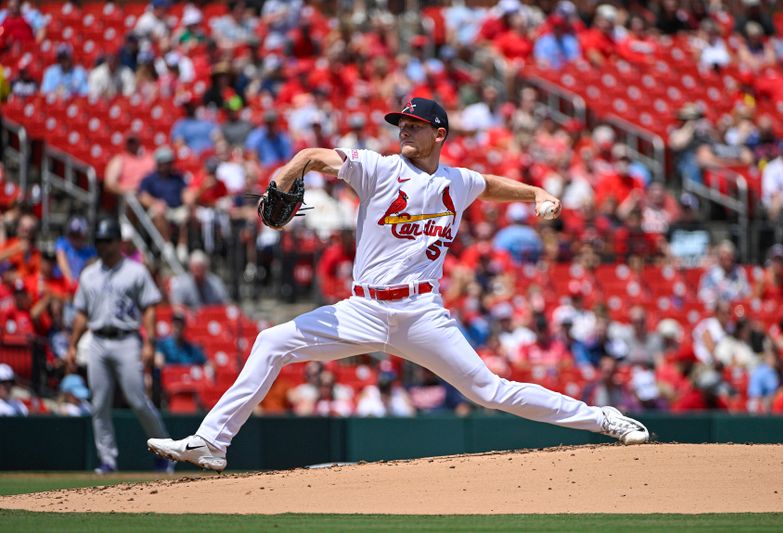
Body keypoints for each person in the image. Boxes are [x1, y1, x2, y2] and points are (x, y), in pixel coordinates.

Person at [147, 97, 649, 472]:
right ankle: (212, 443)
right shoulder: (378, 169)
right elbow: (316, 157)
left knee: (490, 391)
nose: (404, 130)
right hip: (360, 310)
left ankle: (603, 419)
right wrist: (289, 173)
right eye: (401, 123)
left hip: (420, 314)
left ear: (439, 134)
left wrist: (538, 191)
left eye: (414, 124)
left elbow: (493, 185)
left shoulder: (457, 181)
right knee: (271, 341)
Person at [67, 218, 172, 474]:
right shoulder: (89, 274)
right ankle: (107, 460)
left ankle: (165, 454)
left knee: (138, 400)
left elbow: (149, 308)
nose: (103, 246)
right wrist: (72, 344)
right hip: (98, 340)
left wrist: (149, 342)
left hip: (126, 339)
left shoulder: (135, 271)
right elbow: (81, 313)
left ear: (118, 242)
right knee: (100, 403)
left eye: (107, 241)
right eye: (100, 241)